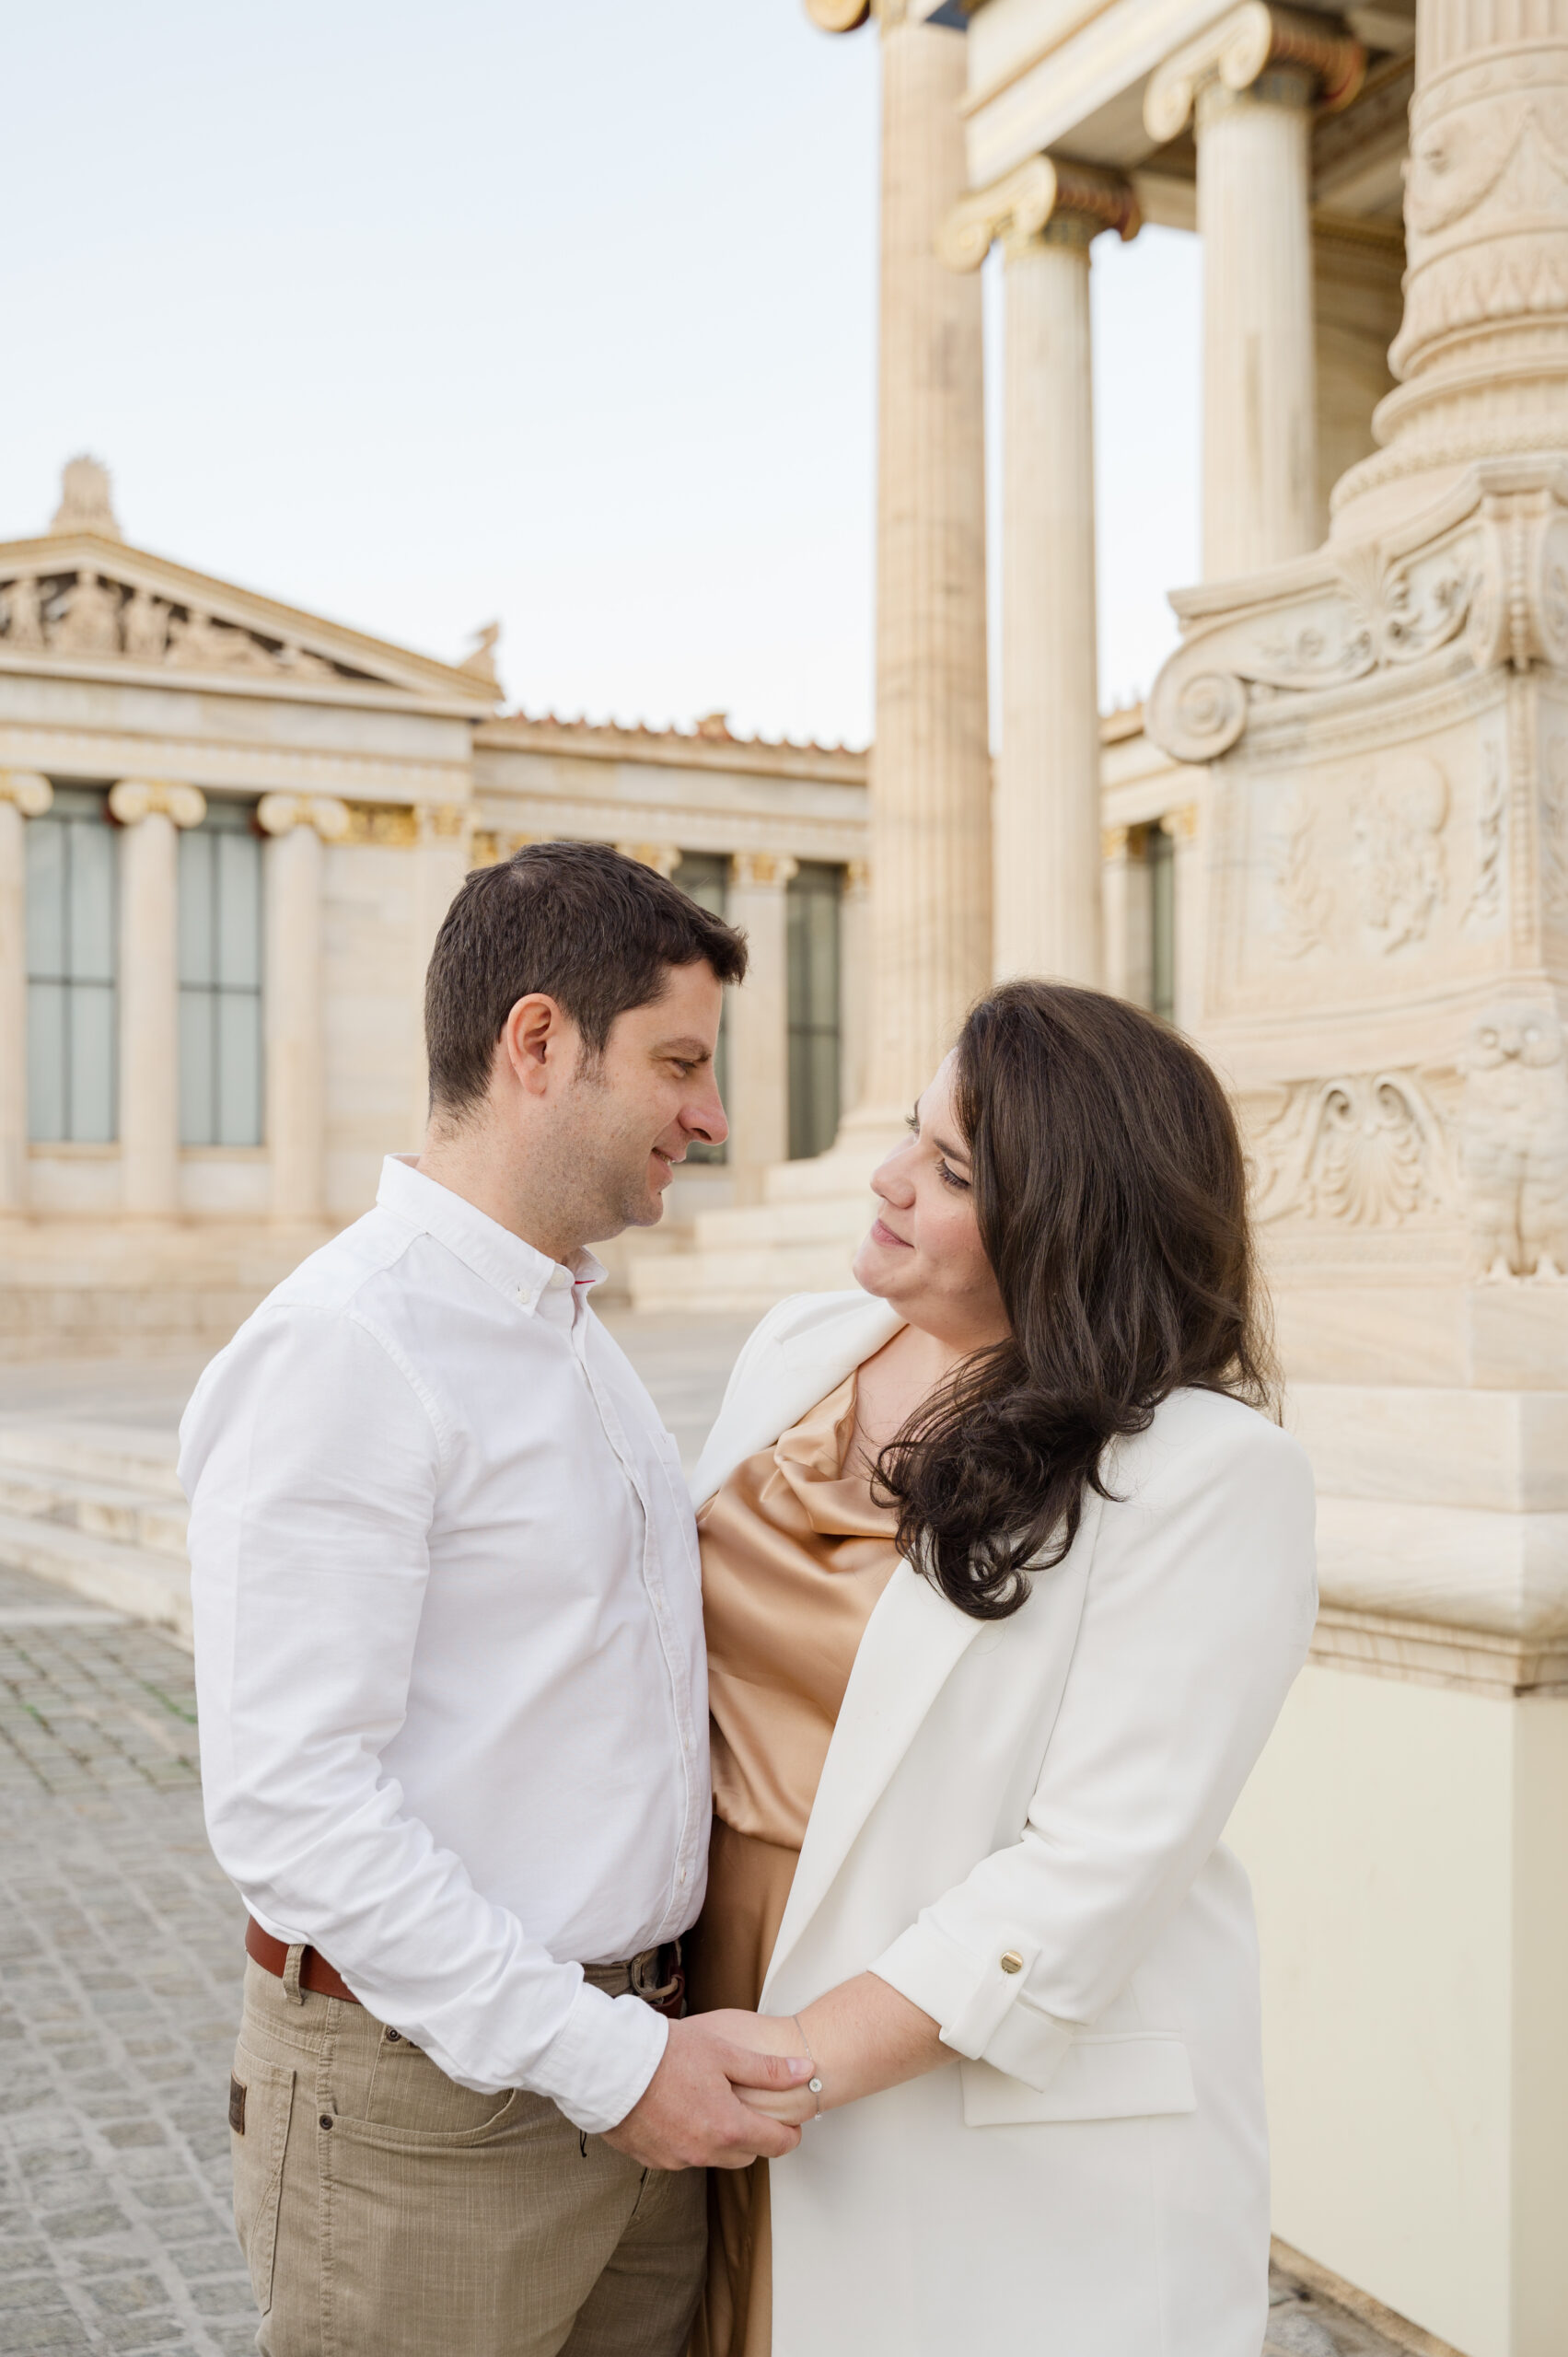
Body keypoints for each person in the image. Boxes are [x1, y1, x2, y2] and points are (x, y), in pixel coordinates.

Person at [180, 842, 815, 2357]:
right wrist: (607, 2065)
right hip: (433, 2125)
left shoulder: (572, 1332)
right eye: (679, 1064)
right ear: (539, 1043)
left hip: (640, 2080)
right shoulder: (349, 1348)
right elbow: (292, 1807)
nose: (712, 1117)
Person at [683, 981, 1318, 2357]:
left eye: (954, 1170)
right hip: (706, 2017)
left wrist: (787, 2063)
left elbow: (1094, 1866)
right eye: (911, 1133)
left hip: (936, 2089)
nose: (889, 1177)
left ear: (1070, 1227)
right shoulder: (797, 1348)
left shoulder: (1209, 1474)